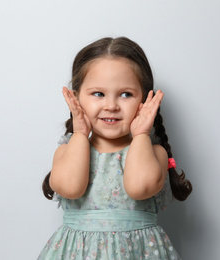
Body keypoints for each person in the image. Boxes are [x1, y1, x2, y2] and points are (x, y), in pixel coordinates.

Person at [38, 37, 192, 260]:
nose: (111, 106)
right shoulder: (66, 152)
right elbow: (71, 187)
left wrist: (140, 134)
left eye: (126, 94)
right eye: (98, 94)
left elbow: (139, 188)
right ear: (76, 97)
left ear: (145, 99)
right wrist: (80, 133)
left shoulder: (154, 153)